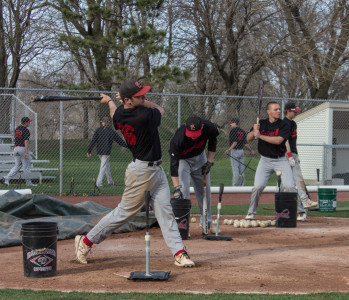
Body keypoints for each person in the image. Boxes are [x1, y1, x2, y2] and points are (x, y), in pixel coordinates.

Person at [75, 79, 195, 267]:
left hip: (156, 171)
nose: (144, 97)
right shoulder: (144, 116)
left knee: (165, 212)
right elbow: (160, 110)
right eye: (140, 96)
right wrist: (127, 101)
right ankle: (86, 241)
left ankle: (179, 253)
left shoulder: (122, 113)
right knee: (123, 213)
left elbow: (115, 115)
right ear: (129, 100)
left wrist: (110, 102)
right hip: (142, 173)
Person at [169, 115, 220, 234]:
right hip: (183, 161)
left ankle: (207, 223)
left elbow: (213, 143)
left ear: (201, 127)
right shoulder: (178, 138)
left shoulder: (210, 128)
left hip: (200, 157)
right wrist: (176, 188)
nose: (192, 138)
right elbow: (173, 165)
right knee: (183, 192)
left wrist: (209, 162)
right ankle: (184, 226)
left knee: (205, 190)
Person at [245, 102, 296, 220]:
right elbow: (248, 138)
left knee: (289, 186)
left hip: (281, 160)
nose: (279, 111)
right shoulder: (261, 123)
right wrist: (254, 131)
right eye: (275, 109)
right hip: (265, 160)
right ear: (269, 112)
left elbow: (278, 140)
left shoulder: (284, 124)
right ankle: (251, 212)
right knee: (258, 186)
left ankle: (299, 212)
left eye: (279, 109)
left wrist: (260, 136)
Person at [284, 102, 317, 218]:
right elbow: (285, 140)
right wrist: (289, 156)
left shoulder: (293, 123)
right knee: (290, 183)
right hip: (286, 155)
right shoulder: (284, 124)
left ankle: (301, 209)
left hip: (293, 154)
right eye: (294, 112)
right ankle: (302, 204)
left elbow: (293, 141)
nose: (296, 114)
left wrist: (296, 156)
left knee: (293, 182)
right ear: (288, 111)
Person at [87, 116, 128, 187]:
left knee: (106, 167)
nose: (102, 123)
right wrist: (127, 146)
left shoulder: (98, 130)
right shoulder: (111, 131)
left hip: (99, 152)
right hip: (106, 152)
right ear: (108, 123)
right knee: (103, 167)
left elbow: (93, 141)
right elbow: (119, 141)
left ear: (103, 123)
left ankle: (110, 182)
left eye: (102, 122)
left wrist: (89, 151)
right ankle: (98, 183)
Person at [2, 117, 37, 187]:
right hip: (22, 148)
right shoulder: (26, 130)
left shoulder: (17, 128)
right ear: (25, 122)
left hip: (16, 148)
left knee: (17, 166)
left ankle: (7, 178)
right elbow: (26, 141)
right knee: (26, 167)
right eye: (28, 122)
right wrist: (27, 152)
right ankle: (28, 183)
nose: (29, 123)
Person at [225, 118, 255, 186]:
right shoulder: (242, 131)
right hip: (241, 151)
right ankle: (242, 186)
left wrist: (228, 150)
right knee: (241, 170)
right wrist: (250, 150)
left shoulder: (233, 131)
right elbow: (245, 144)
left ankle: (234, 186)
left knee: (235, 170)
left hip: (235, 151)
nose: (230, 124)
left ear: (235, 123)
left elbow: (235, 142)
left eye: (231, 123)